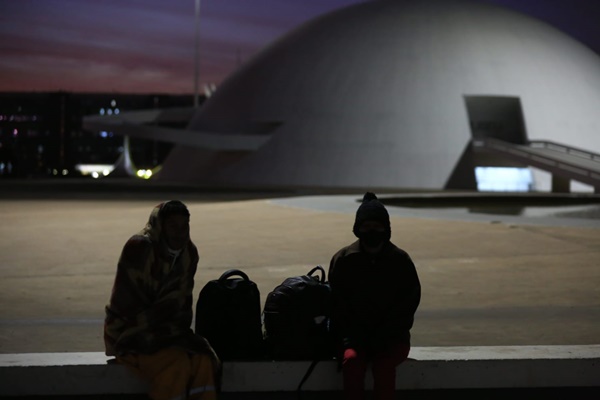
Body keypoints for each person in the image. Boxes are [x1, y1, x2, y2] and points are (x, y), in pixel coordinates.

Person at [104, 200, 220, 400]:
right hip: (132, 334)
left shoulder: (189, 253)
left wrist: (174, 333)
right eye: (173, 226)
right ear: (160, 227)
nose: (180, 232)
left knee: (203, 360)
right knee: (177, 365)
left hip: (169, 333)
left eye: (184, 226)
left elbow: (181, 303)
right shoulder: (140, 248)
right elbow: (128, 304)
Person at [328, 192, 421, 400]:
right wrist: (351, 337)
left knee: (384, 364)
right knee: (352, 362)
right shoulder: (343, 260)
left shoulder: (400, 261)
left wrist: (385, 334)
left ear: (386, 229)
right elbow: (337, 304)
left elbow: (407, 305)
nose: (372, 231)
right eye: (366, 227)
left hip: (392, 339)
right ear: (358, 229)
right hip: (355, 339)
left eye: (377, 226)